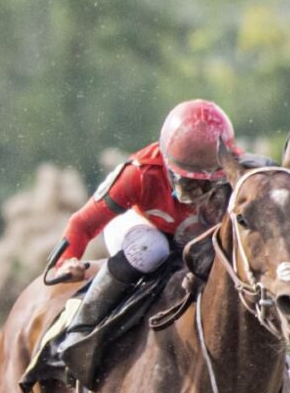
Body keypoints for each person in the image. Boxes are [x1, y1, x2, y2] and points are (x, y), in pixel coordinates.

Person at [53, 99, 239, 371]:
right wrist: (66, 260)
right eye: (190, 185)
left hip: (197, 240)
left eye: (211, 185)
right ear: (167, 163)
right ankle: (81, 328)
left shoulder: (240, 167)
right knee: (152, 249)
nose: (199, 197)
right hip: (141, 226)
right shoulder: (139, 173)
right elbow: (83, 223)